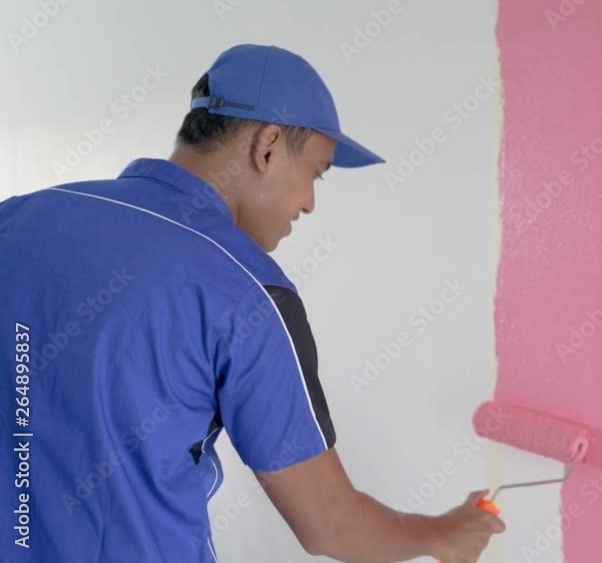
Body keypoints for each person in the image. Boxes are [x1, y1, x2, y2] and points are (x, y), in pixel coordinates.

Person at [0, 44, 504, 563]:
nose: (310, 201)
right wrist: (441, 534)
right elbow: (330, 524)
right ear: (267, 145)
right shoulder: (248, 293)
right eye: (317, 172)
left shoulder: (16, 217)